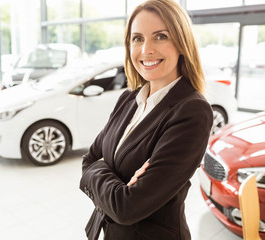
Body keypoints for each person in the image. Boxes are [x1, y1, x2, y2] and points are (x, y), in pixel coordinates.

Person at [79, 0, 213, 239]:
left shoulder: (192, 111)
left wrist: (98, 172)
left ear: (182, 43)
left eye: (160, 36)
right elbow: (89, 159)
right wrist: (110, 179)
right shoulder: (129, 99)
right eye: (137, 38)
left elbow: (127, 208)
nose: (146, 50)